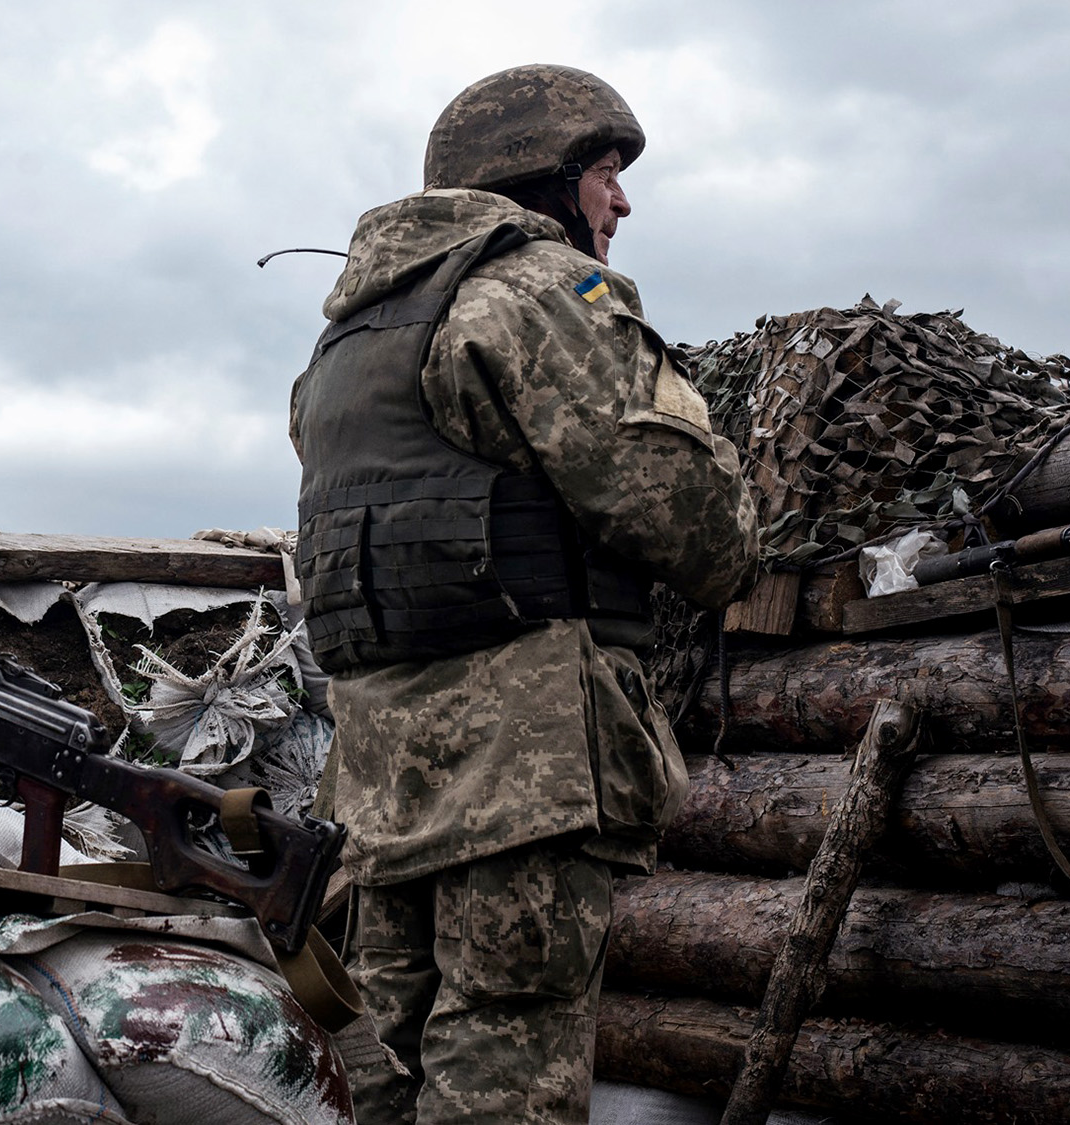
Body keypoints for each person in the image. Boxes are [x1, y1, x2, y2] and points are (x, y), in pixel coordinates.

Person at [288, 64, 758, 1124]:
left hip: (377, 774)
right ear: (538, 177)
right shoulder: (536, 291)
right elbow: (693, 526)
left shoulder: (344, 342)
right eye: (603, 172)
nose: (621, 202)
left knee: (384, 1066)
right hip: (522, 757)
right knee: (507, 1071)